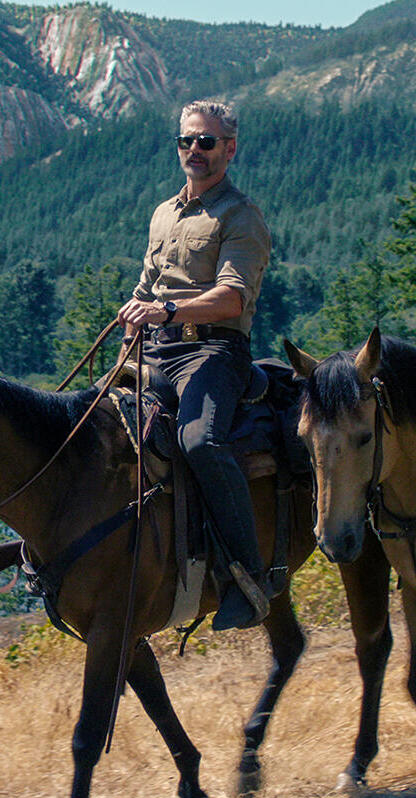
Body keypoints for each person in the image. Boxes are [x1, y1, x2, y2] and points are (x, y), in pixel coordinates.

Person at [116, 99, 274, 629]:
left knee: (198, 441)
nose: (194, 151)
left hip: (214, 350)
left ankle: (246, 576)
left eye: (206, 142)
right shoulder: (164, 212)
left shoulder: (241, 216)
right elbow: (147, 283)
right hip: (155, 347)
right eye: (186, 141)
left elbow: (232, 297)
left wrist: (166, 308)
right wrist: (133, 319)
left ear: (229, 148)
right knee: (92, 427)